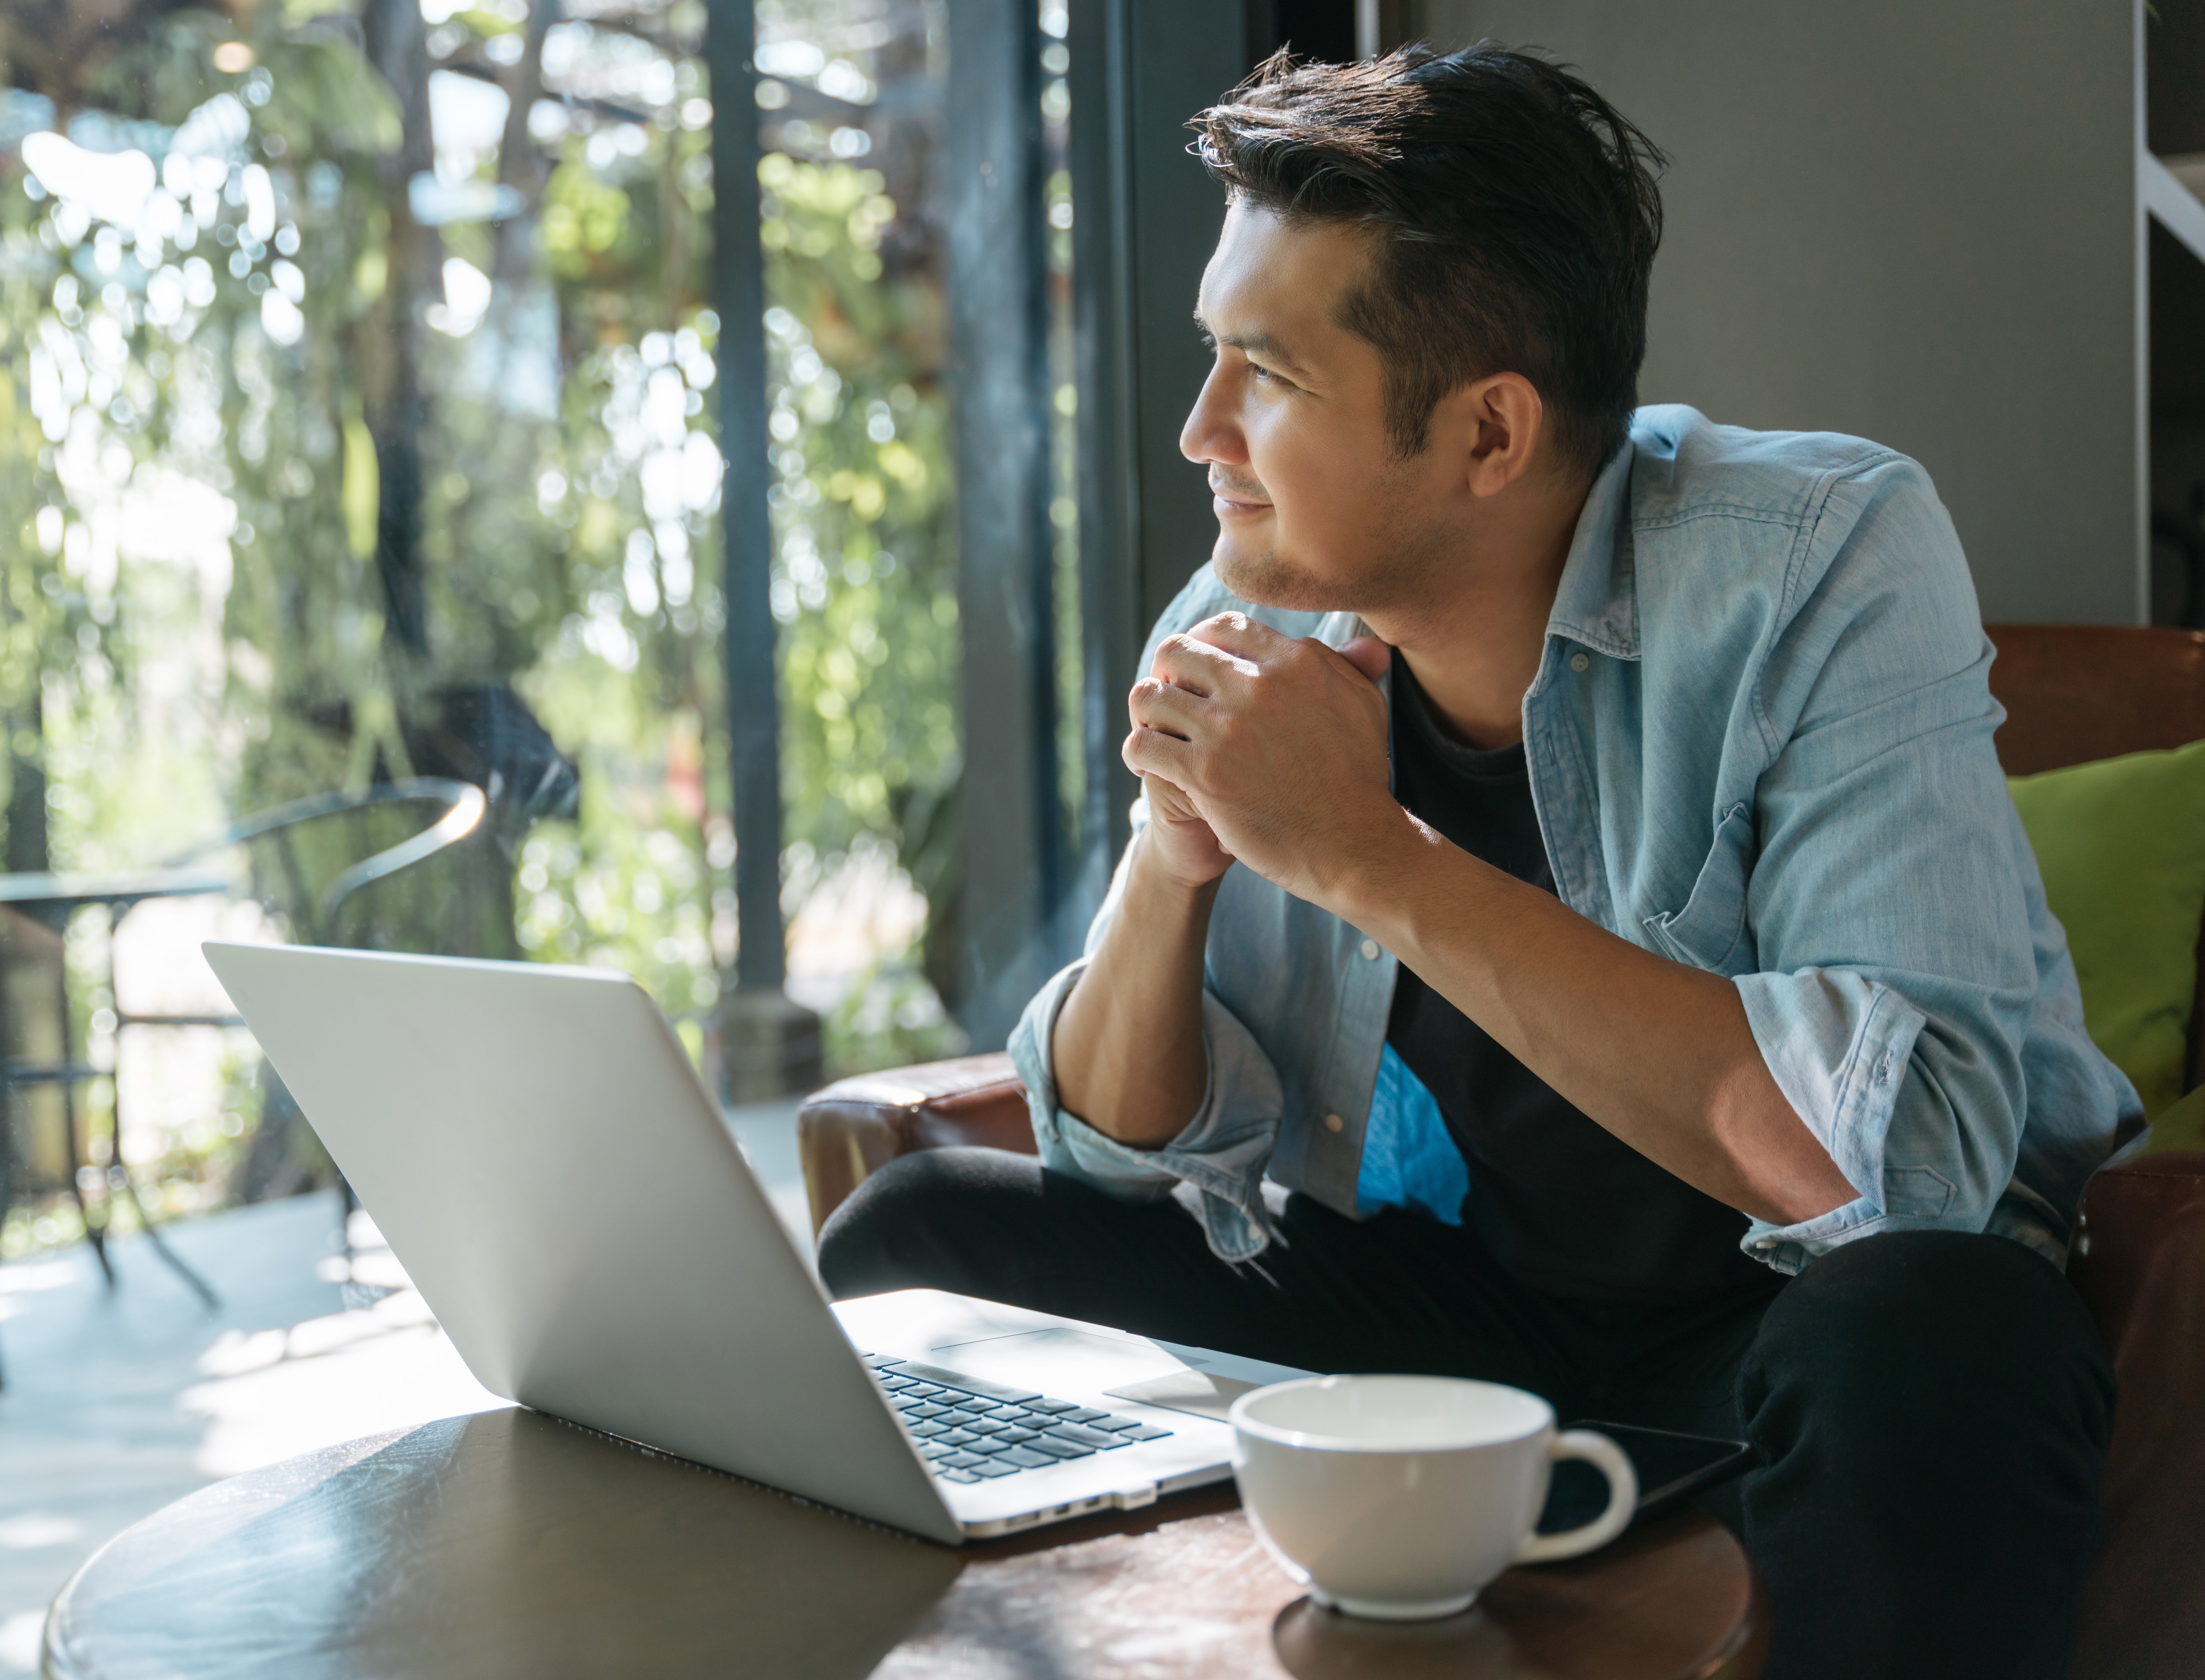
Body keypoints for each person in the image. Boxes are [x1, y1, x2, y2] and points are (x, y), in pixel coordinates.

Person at [817, 43, 2139, 1680]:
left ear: (1490, 433)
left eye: (1267, 375)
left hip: (1786, 1326)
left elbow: (1904, 1170)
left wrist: (1368, 855)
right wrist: (1179, 859)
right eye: (1209, 359)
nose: (1197, 430)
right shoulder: (1257, 607)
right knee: (921, 1241)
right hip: (1475, 1319)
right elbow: (1125, 1153)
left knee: (1935, 1328)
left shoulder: (1819, 554)